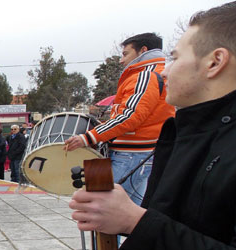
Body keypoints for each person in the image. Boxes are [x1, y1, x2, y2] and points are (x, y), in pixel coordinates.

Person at [3, 2, 236, 250]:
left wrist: (134, 220)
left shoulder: (154, 84)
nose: (163, 71)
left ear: (215, 62)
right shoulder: (190, 131)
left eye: (174, 57)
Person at [64, 32, 175, 205]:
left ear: (143, 51)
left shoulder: (145, 75)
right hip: (137, 153)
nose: (121, 60)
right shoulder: (154, 73)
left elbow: (130, 116)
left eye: (125, 54)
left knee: (100, 207)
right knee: (130, 211)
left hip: (130, 154)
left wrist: (88, 137)